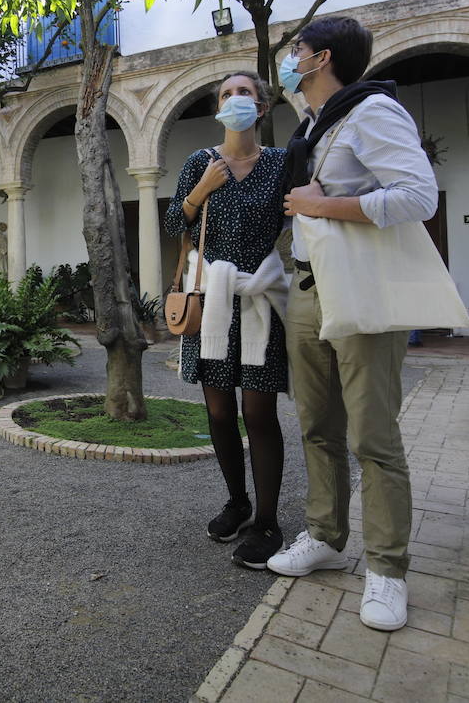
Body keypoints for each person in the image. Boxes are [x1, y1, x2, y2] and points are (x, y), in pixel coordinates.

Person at [266, 15, 438, 632]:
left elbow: (419, 196)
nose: (289, 60)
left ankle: (388, 571)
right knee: (317, 425)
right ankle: (327, 538)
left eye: (297, 51)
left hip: (362, 289)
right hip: (310, 290)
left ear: (322, 58)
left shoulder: (371, 113)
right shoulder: (312, 126)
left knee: (372, 436)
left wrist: (322, 204)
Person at [164, 71, 289, 569]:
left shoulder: (281, 163)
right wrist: (200, 192)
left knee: (259, 413)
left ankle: (267, 521)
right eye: (226, 95)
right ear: (218, 109)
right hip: (211, 299)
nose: (235, 100)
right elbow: (175, 223)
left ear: (261, 107)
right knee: (218, 412)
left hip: (259, 298)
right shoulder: (201, 161)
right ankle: (236, 502)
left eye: (244, 94)